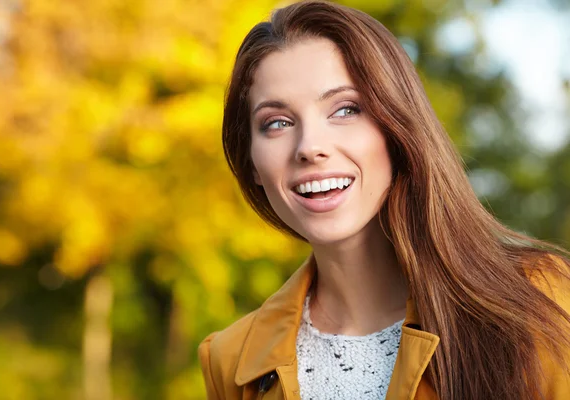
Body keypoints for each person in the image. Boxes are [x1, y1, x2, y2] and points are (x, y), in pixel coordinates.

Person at [198, 1, 570, 399]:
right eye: (277, 123)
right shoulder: (231, 361)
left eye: (345, 109)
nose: (310, 147)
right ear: (252, 163)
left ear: (397, 130)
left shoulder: (540, 300)